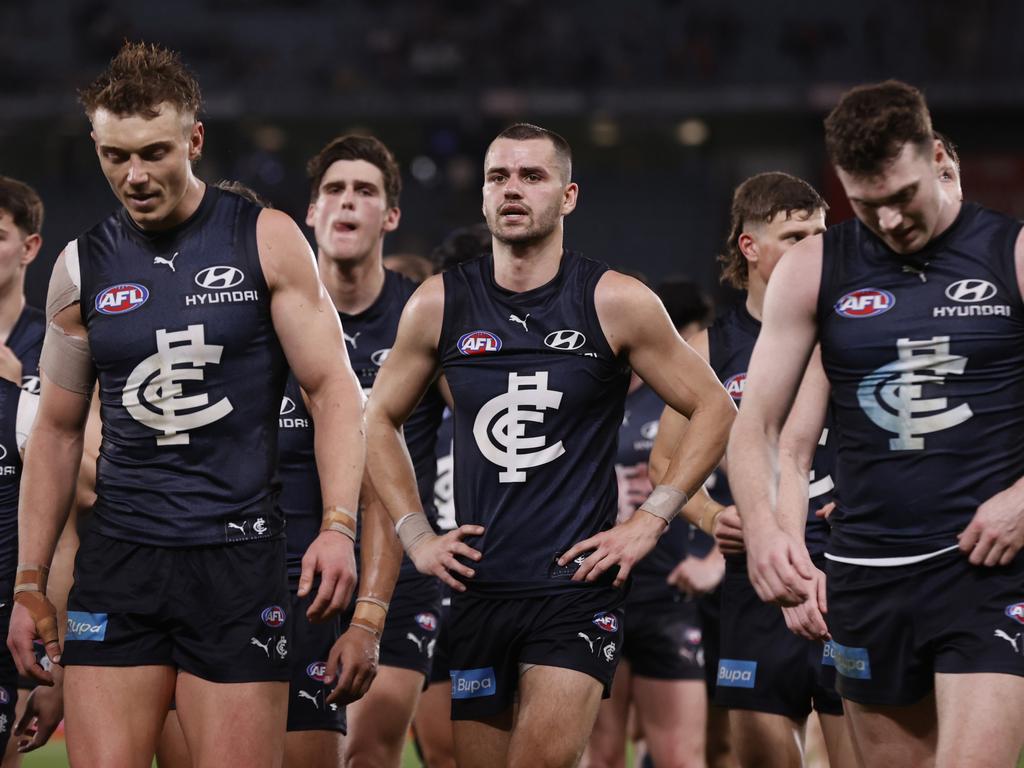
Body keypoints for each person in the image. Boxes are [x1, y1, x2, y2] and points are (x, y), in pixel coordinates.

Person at [7, 42, 366, 768]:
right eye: (114, 157)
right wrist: (29, 582)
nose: (133, 177)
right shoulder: (82, 268)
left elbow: (333, 392)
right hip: (123, 565)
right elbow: (56, 434)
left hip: (237, 564)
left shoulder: (265, 239)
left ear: (195, 140)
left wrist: (337, 525)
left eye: (153, 152)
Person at [364, 122, 736, 768]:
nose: (512, 189)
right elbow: (376, 419)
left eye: (531, 176)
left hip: (576, 591)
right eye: (498, 177)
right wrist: (415, 534)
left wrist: (651, 520)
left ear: (567, 196)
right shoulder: (438, 304)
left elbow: (713, 405)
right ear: (482, 197)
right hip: (479, 590)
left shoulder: (616, 300)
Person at [729, 80, 1024, 768]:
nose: (889, 222)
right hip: (864, 574)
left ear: (936, 156)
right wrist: (769, 529)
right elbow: (757, 428)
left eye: (901, 198)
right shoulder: (813, 269)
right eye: (866, 205)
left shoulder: (1010, 254)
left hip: (984, 570)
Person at [648, 173, 852, 768]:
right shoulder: (712, 350)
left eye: (820, 233)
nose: (813, 247)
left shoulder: (853, 329)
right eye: (795, 235)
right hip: (754, 579)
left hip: (846, 568)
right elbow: (665, 461)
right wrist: (713, 516)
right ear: (750, 246)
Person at [304, 134, 446, 768]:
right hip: (290, 562)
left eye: (365, 191)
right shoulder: (273, 309)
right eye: (334, 190)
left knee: (364, 750)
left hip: (397, 568)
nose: (346, 203)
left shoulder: (423, 316)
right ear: (311, 211)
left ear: (390, 216)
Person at [583, 278, 714, 768]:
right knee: (602, 753)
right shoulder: (588, 397)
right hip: (597, 587)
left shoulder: (676, 398)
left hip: (666, 591)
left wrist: (713, 556)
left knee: (681, 756)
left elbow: (730, 473)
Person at [0, 177, 46, 761]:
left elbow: (85, 481)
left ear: (29, 248)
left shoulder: (57, 341)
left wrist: (10, 396)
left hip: (22, 588)